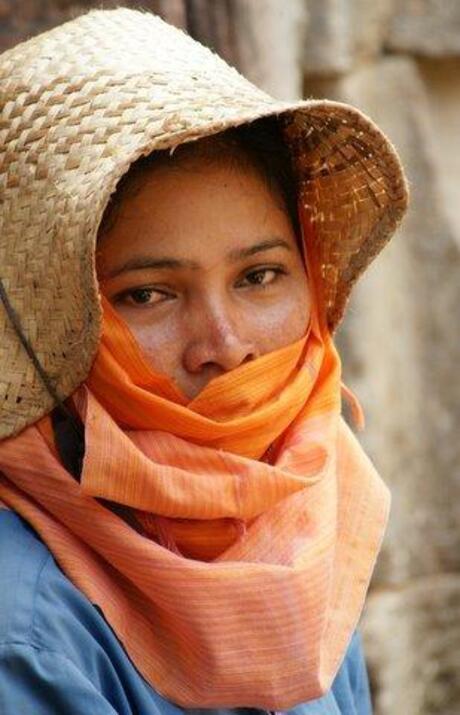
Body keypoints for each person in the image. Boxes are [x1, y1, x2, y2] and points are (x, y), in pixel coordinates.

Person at [0, 8, 409, 715]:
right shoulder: (27, 629)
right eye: (148, 294)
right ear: (46, 325)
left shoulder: (309, 515)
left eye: (259, 275)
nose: (224, 343)